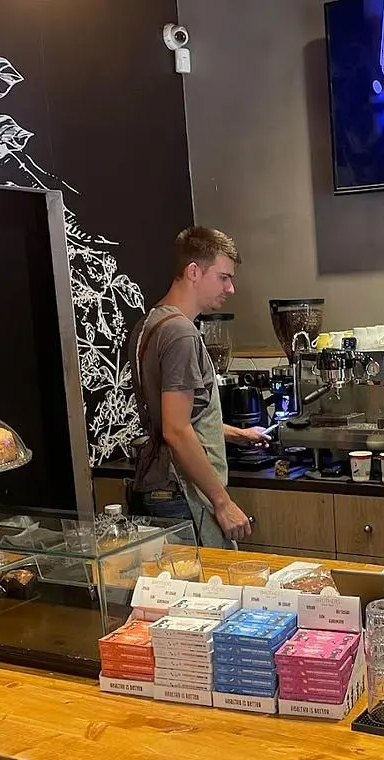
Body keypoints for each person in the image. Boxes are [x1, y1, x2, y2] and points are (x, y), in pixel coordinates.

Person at [127, 227, 269, 548]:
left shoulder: (149, 324)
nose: (231, 288)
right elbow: (176, 431)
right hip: (182, 492)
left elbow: (174, 417)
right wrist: (223, 502)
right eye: (223, 277)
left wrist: (236, 434)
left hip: (155, 485)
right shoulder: (181, 333)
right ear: (193, 271)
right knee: (206, 580)